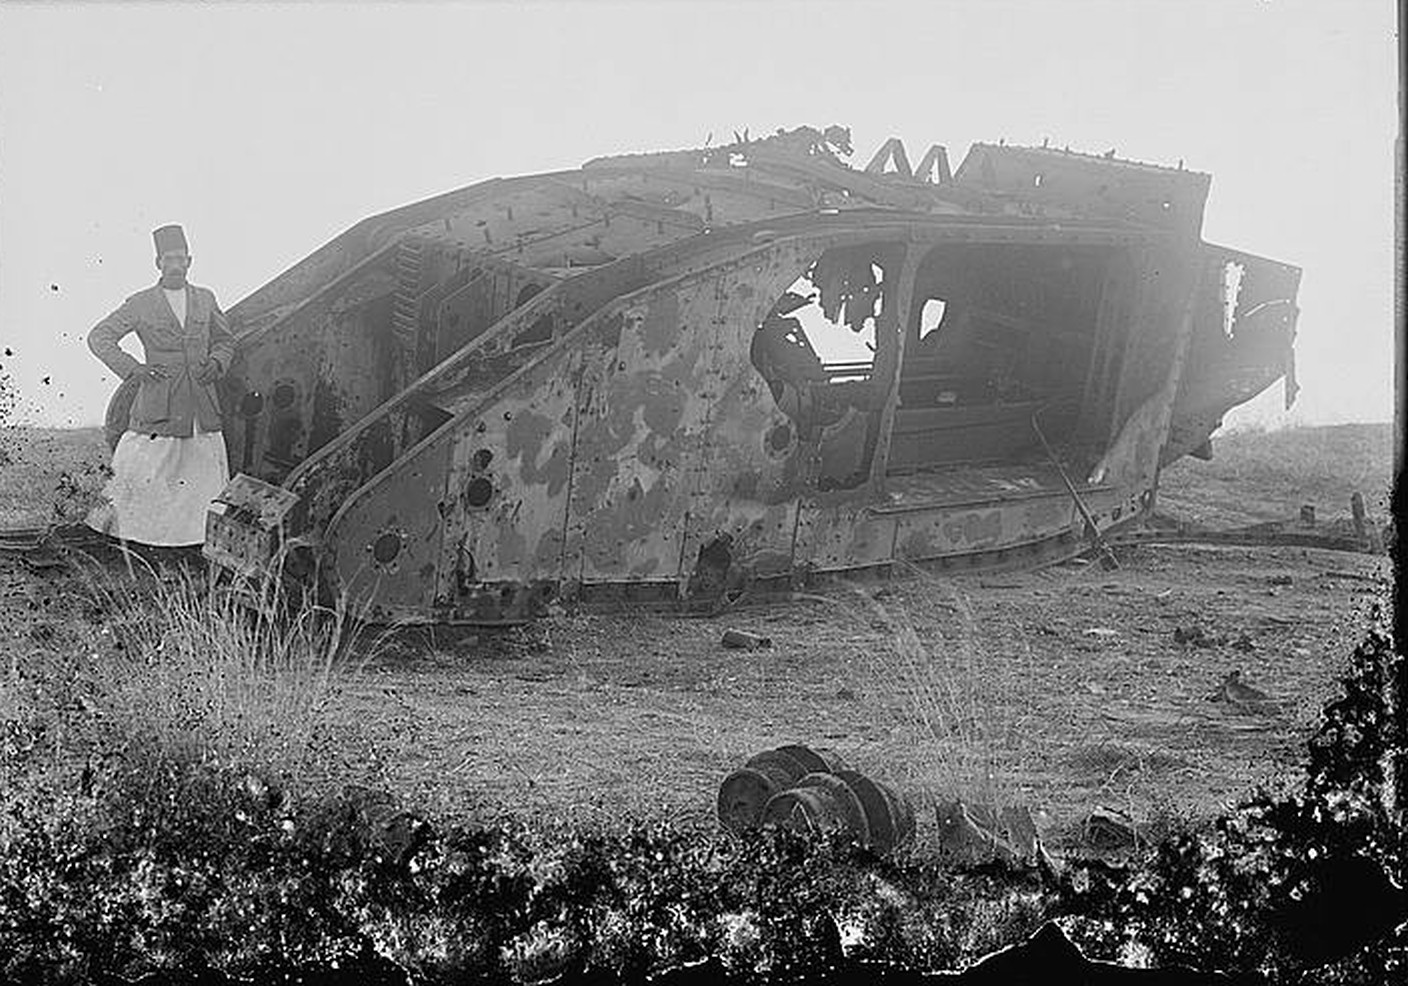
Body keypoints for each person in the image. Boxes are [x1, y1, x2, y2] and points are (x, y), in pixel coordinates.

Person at [85, 224, 235, 550]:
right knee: (150, 465)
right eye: (169, 259)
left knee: (203, 469)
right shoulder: (140, 303)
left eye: (181, 259)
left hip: (201, 403)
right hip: (160, 402)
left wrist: (217, 362)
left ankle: (196, 540)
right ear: (158, 263)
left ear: (190, 261)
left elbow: (225, 340)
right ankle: (142, 540)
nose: (176, 265)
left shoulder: (206, 298)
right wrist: (134, 370)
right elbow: (100, 337)